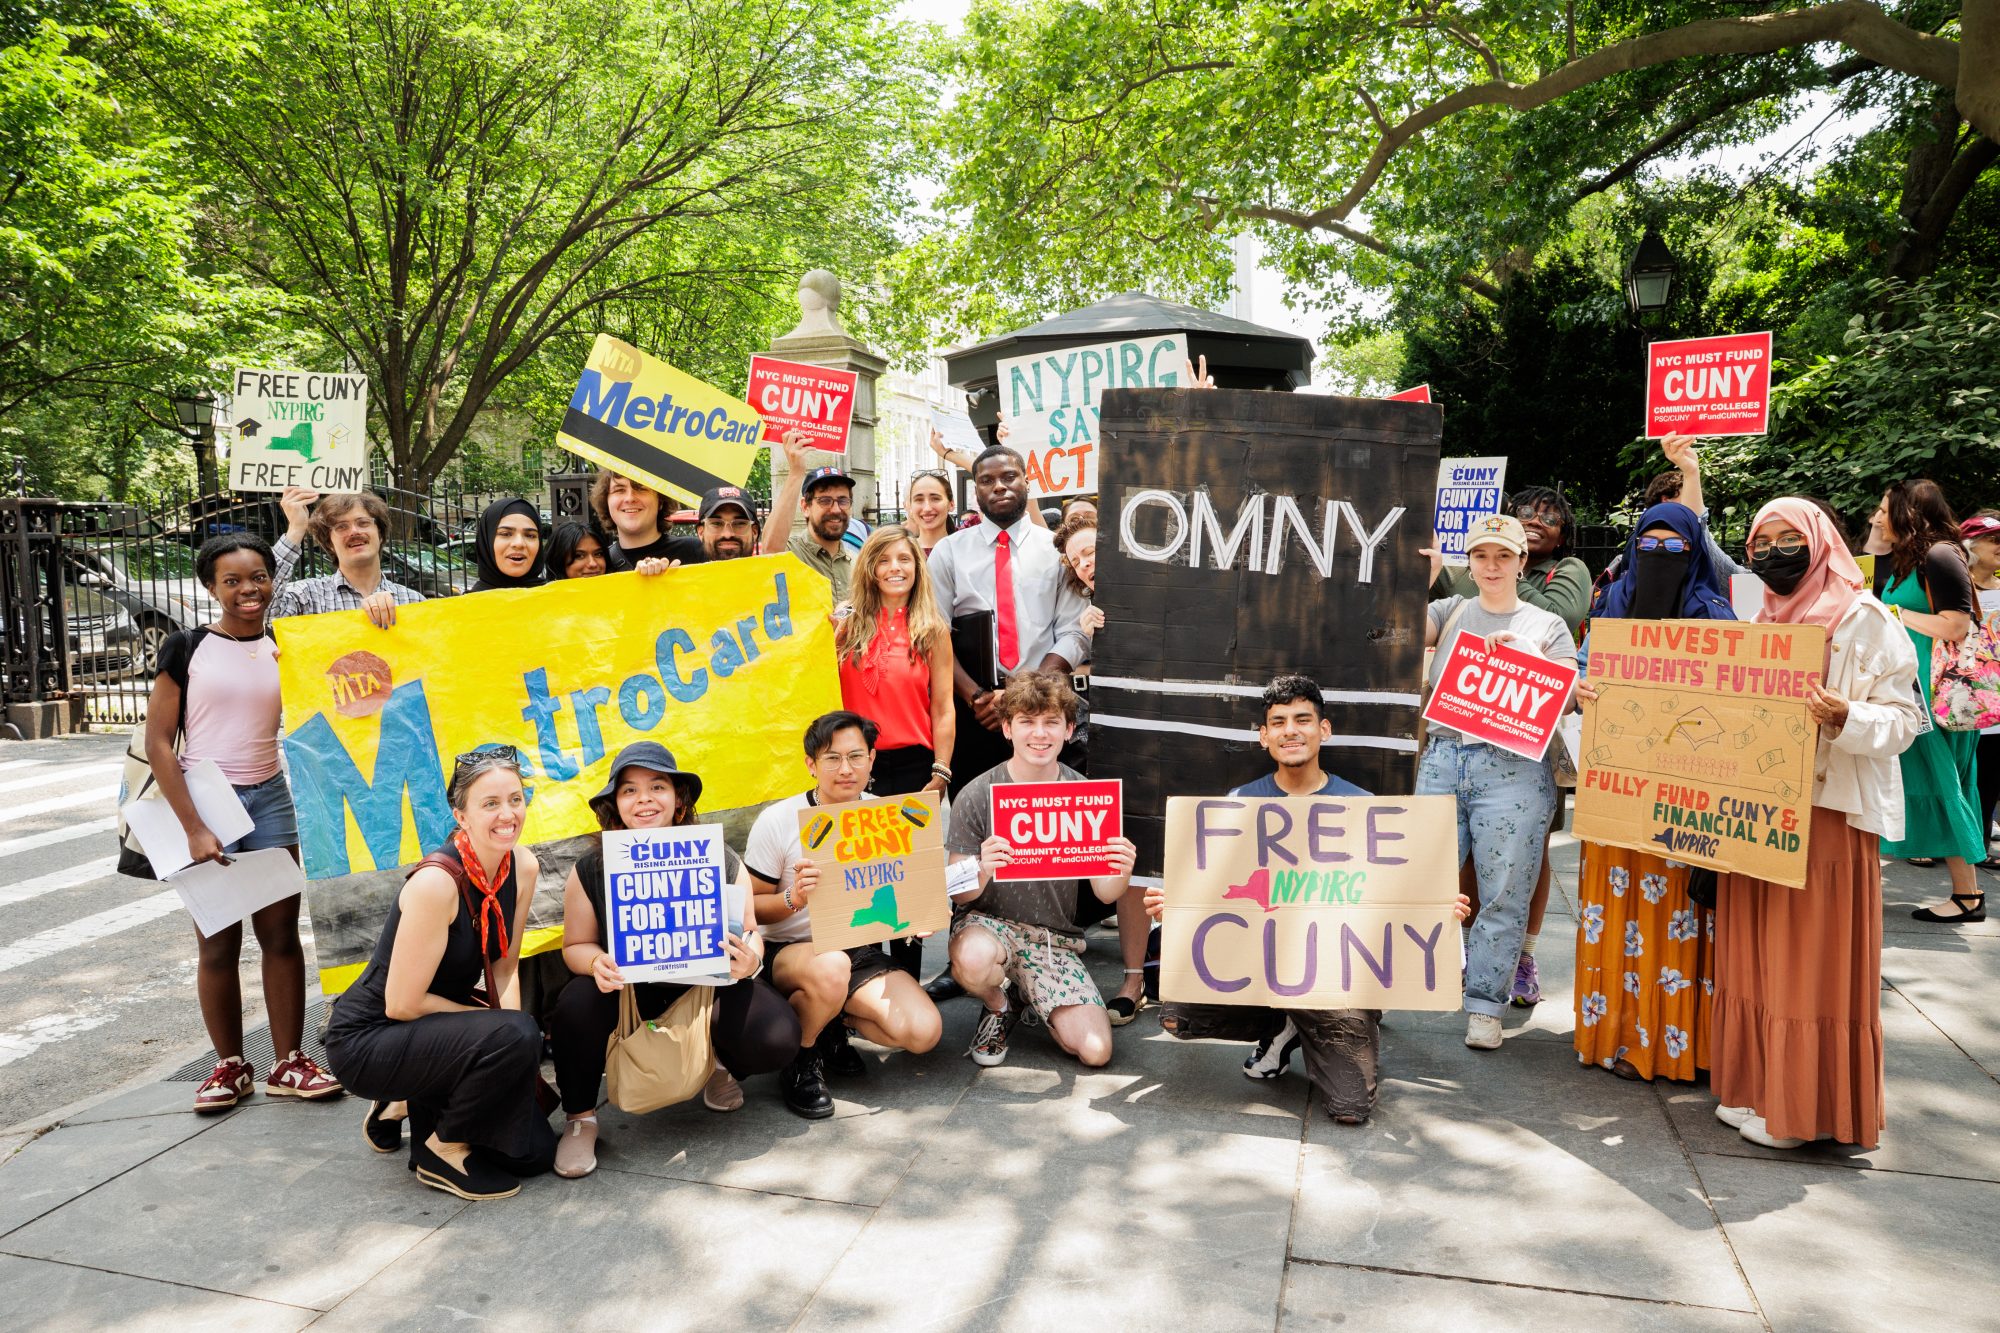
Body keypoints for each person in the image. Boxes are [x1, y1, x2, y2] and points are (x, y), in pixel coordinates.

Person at [1140, 675, 1458, 1124]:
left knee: (1350, 1109)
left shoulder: (1362, 806)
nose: (1291, 730)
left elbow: (1395, 900)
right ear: (1264, 736)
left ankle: (1330, 1029)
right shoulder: (1238, 805)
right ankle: (1282, 1027)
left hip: (1334, 983)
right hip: (1262, 970)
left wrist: (1438, 910)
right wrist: (1177, 907)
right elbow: (1218, 895)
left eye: (1303, 720)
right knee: (1178, 1014)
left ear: (1323, 730)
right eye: (1279, 722)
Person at [1711, 498, 1922, 1149]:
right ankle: (1760, 1087)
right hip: (1759, 812)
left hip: (1829, 815)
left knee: (1806, 960)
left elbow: (1907, 720)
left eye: (1788, 538)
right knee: (1756, 955)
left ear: (1820, 542)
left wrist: (1845, 717)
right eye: (1761, 541)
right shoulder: (1756, 619)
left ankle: (1803, 1109)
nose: (1773, 552)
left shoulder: (1866, 620)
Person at [145, 533, 343, 1113]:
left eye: (257, 577)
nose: (248, 589)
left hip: (271, 798)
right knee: (218, 940)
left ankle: (289, 1062)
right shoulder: (188, 647)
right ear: (212, 588)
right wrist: (193, 826)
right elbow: (160, 742)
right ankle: (229, 1066)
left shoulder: (288, 644)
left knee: (281, 936)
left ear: (270, 579)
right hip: (207, 800)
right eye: (232, 581)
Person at [547, 742, 800, 1178]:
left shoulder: (720, 859)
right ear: (616, 806)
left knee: (775, 1033)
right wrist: (596, 964)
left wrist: (749, 959)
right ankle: (580, 1119)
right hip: (627, 993)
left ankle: (718, 1066)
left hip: (705, 987)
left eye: (657, 786)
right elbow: (575, 946)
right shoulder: (592, 867)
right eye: (629, 791)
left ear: (679, 800)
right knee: (574, 1005)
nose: (643, 798)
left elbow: (752, 932)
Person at [323, 747, 555, 1199]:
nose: (507, 814)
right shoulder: (437, 883)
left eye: (515, 799)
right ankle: (440, 1148)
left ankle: (405, 1102)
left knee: (535, 1155)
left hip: (434, 1028)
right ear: (460, 815)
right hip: (373, 1036)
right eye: (490, 804)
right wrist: (503, 1032)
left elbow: (505, 967)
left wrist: (512, 1055)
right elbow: (402, 1003)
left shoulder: (522, 866)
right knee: (514, 1034)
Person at [1571, 502, 1734, 1083]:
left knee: (1676, 921)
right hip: (1617, 791)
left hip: (1681, 804)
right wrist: (1581, 689)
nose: (1660, 558)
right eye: (1650, 545)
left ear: (1694, 553)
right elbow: (1583, 674)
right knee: (1614, 914)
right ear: (1634, 546)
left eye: (1675, 549)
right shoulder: (1611, 604)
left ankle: (1676, 1045)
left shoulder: (1716, 616)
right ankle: (1614, 1034)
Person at [1419, 514, 1577, 1050]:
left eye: (1503, 556)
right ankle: (1403, 986)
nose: (1491, 566)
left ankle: (1486, 1005)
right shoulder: (1450, 609)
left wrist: (1528, 658)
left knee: (1505, 892)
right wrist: (1422, 576)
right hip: (1443, 756)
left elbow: (1571, 693)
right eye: (1482, 556)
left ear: (1521, 561)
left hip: (1513, 769)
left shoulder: (1544, 624)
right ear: (1470, 562)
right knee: (1419, 881)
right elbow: (1390, 631)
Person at [746, 712, 944, 1118]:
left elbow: (900, 894)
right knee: (831, 966)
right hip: (790, 951)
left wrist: (915, 917)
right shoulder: (778, 820)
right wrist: (793, 898)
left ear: (873, 759)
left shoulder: (889, 814)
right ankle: (801, 1057)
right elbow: (747, 908)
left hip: (856, 951)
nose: (846, 768)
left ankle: (829, 1023)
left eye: (856, 756)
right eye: (832, 758)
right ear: (811, 765)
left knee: (924, 1032)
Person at [946, 670, 1138, 1069]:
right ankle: (998, 1006)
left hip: (1052, 939)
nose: (1040, 734)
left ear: (1069, 730)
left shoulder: (1085, 796)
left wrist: (1121, 868)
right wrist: (982, 867)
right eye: (1027, 721)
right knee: (975, 958)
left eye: (1051, 722)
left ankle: (1024, 993)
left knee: (1096, 1051)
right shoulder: (978, 793)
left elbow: (1104, 893)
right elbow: (959, 892)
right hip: (987, 923)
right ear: (1006, 728)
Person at [928, 443, 1091, 796]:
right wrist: (974, 697)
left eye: (1009, 476)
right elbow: (933, 635)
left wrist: (1024, 691)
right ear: (976, 492)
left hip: (1043, 706)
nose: (999, 486)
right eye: (987, 480)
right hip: (975, 713)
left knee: (1045, 818)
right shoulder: (948, 552)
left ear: (1027, 482)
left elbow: (1074, 632)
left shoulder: (1058, 552)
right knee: (977, 819)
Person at [1867, 481, 1985, 921]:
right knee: (1915, 782)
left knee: (1941, 785)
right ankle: (1964, 892)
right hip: (1908, 690)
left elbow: (1957, 626)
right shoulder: (1908, 559)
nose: (1876, 518)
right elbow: (1868, 561)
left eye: (1884, 510)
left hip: (1934, 698)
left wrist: (1894, 615)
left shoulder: (1940, 555)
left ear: (1908, 514)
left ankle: (1968, 895)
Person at [1049, 513, 1147, 1021]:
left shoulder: (1163, 587)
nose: (1087, 564)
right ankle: (1132, 978)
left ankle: (1156, 973)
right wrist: (1085, 642)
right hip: (1112, 745)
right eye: (1077, 559)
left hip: (1169, 738)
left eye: (1092, 551)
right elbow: (1058, 671)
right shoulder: (1086, 614)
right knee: (1123, 855)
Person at [270, 488, 424, 626]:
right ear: (329, 543)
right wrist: (296, 529)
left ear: (381, 534)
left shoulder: (413, 602)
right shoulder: (306, 597)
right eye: (341, 526)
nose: (354, 531)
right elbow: (265, 614)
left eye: (363, 523)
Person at [1963, 512, 2000, 869]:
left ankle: (1980, 845)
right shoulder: (1953, 585)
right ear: (1971, 546)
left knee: (1990, 775)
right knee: (1959, 771)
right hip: (1959, 696)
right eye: (1995, 540)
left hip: (1995, 699)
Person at [591, 471, 706, 571]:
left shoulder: (696, 552)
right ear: (606, 501)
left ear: (660, 501)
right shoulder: (599, 565)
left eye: (641, 489)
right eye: (619, 490)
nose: (630, 498)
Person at [466, 498, 546, 592]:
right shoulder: (464, 605)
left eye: (530, 535)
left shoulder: (557, 599)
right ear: (486, 541)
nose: (519, 543)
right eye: (505, 534)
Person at [904, 460, 957, 556]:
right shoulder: (901, 550)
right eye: (919, 500)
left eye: (935, 499)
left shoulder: (966, 546)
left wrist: (949, 454)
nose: (927, 508)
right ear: (910, 506)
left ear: (951, 504)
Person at [695, 485, 762, 561]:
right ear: (701, 532)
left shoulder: (772, 572)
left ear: (754, 532)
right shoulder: (685, 573)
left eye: (739, 523)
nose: (728, 534)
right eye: (716, 523)